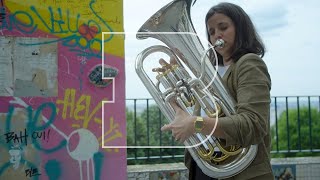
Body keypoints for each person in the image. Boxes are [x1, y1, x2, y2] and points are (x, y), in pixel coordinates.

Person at [160, 2, 274, 180]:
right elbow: (193, 116)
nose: (216, 35)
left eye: (223, 27)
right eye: (211, 32)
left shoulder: (249, 63)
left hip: (242, 173)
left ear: (241, 28)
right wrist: (175, 90)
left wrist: (195, 124)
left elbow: (253, 125)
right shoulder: (209, 71)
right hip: (207, 168)